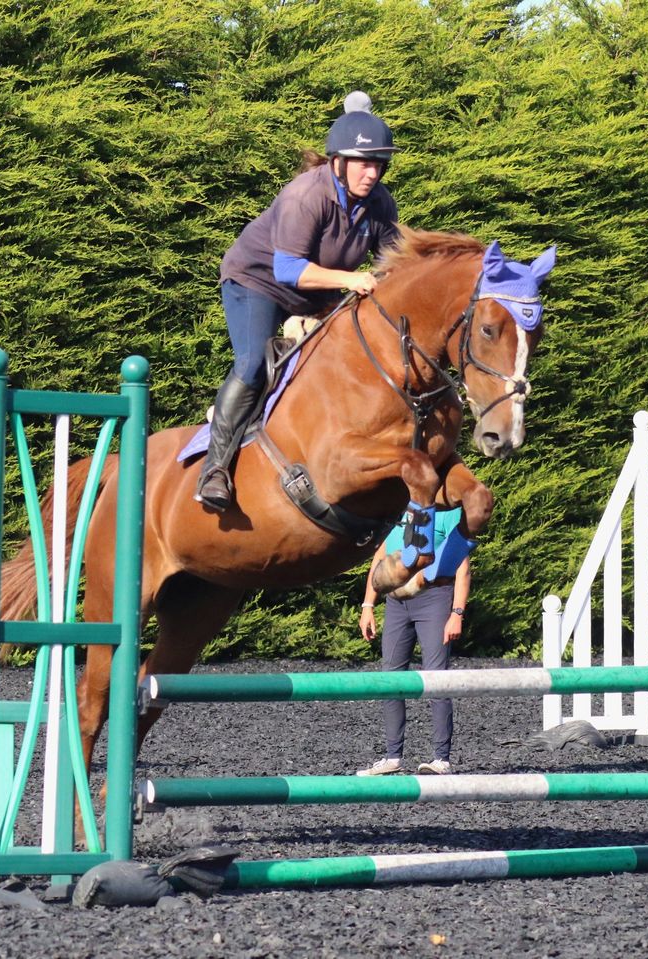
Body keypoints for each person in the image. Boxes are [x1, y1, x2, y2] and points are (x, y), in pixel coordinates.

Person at [196, 91, 401, 512]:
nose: (372, 173)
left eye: (378, 164)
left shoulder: (380, 203)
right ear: (337, 163)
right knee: (253, 364)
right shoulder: (305, 195)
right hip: (258, 283)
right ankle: (214, 470)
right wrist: (350, 279)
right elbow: (289, 269)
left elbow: (393, 263)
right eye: (364, 163)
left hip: (318, 292)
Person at [357, 507, 472, 776]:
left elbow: (463, 566)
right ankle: (392, 757)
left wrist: (457, 613)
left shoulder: (450, 511)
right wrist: (367, 605)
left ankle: (441, 759)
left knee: (436, 678)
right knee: (391, 679)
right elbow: (380, 556)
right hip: (396, 602)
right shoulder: (399, 506)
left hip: (434, 597)